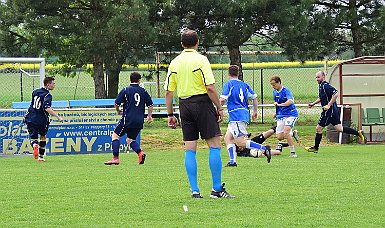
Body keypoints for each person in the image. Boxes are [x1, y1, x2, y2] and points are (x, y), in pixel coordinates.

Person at [164, 29, 233, 198]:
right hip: (202, 103)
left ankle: (195, 190)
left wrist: (170, 114)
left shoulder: (174, 63)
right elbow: (210, 87)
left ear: (182, 44)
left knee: (190, 149)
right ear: (197, 43)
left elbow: (168, 92)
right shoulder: (201, 60)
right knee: (215, 145)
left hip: (184, 105)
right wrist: (219, 107)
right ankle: (216, 189)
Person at [220, 65, 271, 167]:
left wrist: (217, 109)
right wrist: (255, 111)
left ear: (229, 73)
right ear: (238, 73)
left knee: (240, 142)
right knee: (228, 138)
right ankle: (232, 161)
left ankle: (264, 149)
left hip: (236, 115)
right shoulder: (244, 85)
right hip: (243, 114)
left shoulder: (229, 84)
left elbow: (222, 99)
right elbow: (254, 97)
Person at [305, 71, 367, 153]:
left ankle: (315, 148)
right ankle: (358, 133)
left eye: (318, 77)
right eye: (316, 77)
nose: (317, 79)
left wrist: (328, 105)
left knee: (318, 128)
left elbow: (335, 94)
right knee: (339, 128)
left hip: (329, 112)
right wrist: (313, 103)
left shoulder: (325, 86)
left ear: (323, 77)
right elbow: (322, 98)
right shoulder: (321, 86)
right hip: (333, 111)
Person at [104, 72, 153, 165]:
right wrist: (149, 116)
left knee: (115, 136)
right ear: (139, 80)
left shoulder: (126, 90)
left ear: (130, 79)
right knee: (130, 140)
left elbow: (117, 103)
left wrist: (118, 110)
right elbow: (150, 105)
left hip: (128, 119)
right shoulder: (143, 91)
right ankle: (140, 153)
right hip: (139, 120)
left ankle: (115, 158)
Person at [24, 76, 64, 162]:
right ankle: (41, 157)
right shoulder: (48, 95)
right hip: (41, 119)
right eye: (53, 83)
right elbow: (47, 108)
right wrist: (58, 117)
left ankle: (35, 145)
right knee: (43, 137)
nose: (54, 85)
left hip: (30, 117)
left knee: (33, 137)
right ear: (48, 84)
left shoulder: (35, 91)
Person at [270, 76, 298, 158]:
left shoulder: (286, 91)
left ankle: (293, 152)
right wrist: (276, 112)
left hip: (291, 114)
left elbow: (290, 101)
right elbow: (277, 104)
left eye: (274, 84)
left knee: (286, 132)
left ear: (278, 82)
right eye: (271, 85)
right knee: (279, 137)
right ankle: (292, 133)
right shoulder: (274, 92)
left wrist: (280, 105)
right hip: (281, 115)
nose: (273, 86)